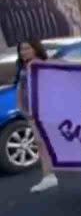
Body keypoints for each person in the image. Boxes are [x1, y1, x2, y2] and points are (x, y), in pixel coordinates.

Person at [19, 41, 58, 193]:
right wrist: (21, 106)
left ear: (35, 49)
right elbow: (21, 88)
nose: (23, 52)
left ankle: (49, 175)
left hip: (42, 111)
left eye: (27, 48)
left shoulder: (41, 64)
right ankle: (48, 176)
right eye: (21, 49)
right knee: (40, 143)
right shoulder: (24, 67)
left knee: (42, 142)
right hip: (31, 111)